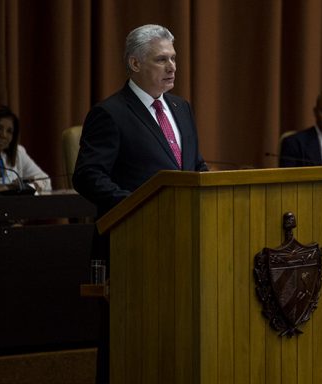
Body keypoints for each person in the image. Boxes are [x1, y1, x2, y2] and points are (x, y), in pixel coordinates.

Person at [72, 24, 208, 384]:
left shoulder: (181, 107)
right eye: (161, 59)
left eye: (174, 58)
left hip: (182, 244)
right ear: (134, 63)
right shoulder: (111, 113)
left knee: (175, 340)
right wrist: (139, 205)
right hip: (132, 245)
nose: (172, 67)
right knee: (128, 346)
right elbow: (87, 175)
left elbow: (193, 166)